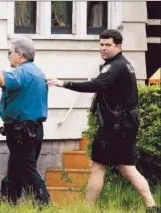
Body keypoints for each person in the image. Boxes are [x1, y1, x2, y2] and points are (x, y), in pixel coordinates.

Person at [47, 29, 160, 213]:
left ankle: (87, 208)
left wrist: (63, 83)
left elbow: (95, 85)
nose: (103, 48)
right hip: (126, 124)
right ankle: (152, 206)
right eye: (101, 44)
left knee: (98, 166)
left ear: (119, 46)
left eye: (108, 45)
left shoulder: (115, 66)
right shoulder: (124, 64)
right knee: (127, 168)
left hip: (114, 127)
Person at [0, 35, 50, 206]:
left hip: (22, 131)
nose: (8, 55)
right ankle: (8, 202)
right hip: (33, 129)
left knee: (26, 168)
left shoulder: (22, 72)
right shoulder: (37, 72)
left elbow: (2, 80)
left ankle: (44, 203)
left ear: (20, 54)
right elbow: (24, 99)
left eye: (9, 52)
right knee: (15, 168)